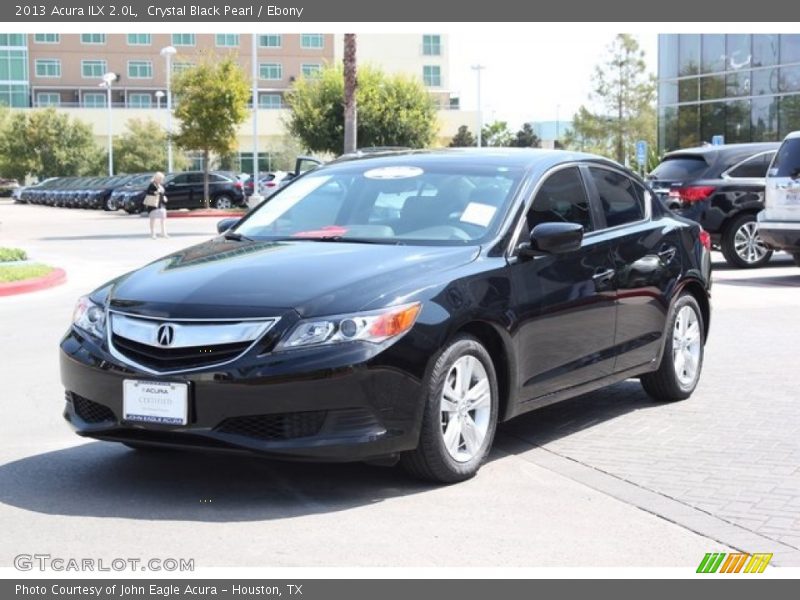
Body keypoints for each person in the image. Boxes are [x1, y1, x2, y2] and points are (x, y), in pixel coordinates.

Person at [146, 172, 168, 239]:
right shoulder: (152, 185)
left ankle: (163, 232)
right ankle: (153, 233)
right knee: (153, 219)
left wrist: (164, 196)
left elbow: (162, 193)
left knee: (163, 218)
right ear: (157, 178)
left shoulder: (160, 185)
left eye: (162, 179)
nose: (162, 180)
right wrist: (155, 192)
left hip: (161, 204)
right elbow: (148, 192)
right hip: (153, 204)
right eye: (161, 179)